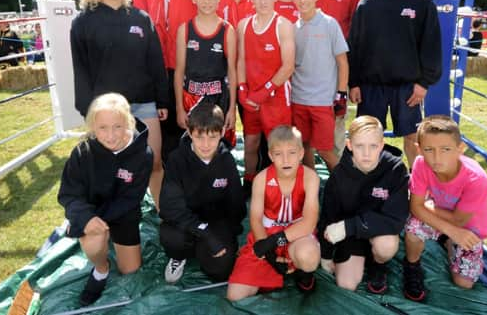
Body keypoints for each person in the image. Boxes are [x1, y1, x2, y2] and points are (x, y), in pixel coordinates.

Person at [70, 0, 168, 211]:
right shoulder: (83, 22)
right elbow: (80, 69)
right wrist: (86, 109)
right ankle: (113, 216)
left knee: (155, 161)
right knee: (112, 167)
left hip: (143, 103)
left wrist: (162, 99)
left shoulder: (140, 18)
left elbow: (155, 62)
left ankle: (162, 213)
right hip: (106, 111)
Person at [348, 0, 442, 168]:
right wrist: (354, 83)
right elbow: (355, 47)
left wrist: (423, 83)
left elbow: (431, 44)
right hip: (371, 87)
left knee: (412, 138)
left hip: (408, 87)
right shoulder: (366, 5)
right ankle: (369, 186)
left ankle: (419, 187)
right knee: (368, 139)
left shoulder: (422, 1)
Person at [57, 93, 152, 306]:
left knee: (130, 269)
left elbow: (132, 198)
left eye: (117, 126)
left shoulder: (143, 154)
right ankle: (101, 270)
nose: (110, 135)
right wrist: (86, 219)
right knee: (94, 240)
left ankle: (105, 237)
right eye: (102, 128)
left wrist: (103, 220)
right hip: (92, 211)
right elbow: (68, 194)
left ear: (128, 123)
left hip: (123, 213)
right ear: (93, 126)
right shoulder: (82, 152)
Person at [155, 0, 237, 161]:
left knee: (215, 144)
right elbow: (159, 29)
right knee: (175, 146)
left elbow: (231, 51)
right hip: (177, 79)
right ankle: (177, 195)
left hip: (215, 85)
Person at [403, 115, 487, 302]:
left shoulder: (477, 179)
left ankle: (448, 241)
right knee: (413, 229)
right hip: (444, 218)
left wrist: (427, 207)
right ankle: (412, 266)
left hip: (468, 227)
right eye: (429, 150)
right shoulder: (420, 164)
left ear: (460, 149)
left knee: (463, 282)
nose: (436, 158)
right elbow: (415, 207)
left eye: (445, 150)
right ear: (419, 150)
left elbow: (460, 220)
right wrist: (450, 230)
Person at [227, 125, 321, 300]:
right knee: (235, 295)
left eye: (292, 153)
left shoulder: (310, 177)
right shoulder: (261, 179)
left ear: (301, 153)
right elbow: (255, 219)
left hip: (297, 236)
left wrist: (276, 240)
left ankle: (303, 272)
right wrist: (268, 252)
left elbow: (309, 222)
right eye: (278, 154)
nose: (286, 160)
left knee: (308, 255)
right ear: (270, 155)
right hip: (266, 237)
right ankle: (274, 268)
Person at [318, 116, 409, 294]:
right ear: (349, 145)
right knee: (346, 284)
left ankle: (378, 264)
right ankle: (356, 258)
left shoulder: (395, 170)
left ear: (381, 145)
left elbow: (396, 219)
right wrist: (326, 254)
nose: (366, 153)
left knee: (387, 246)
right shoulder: (339, 174)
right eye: (360, 146)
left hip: (377, 231)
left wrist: (348, 226)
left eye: (373, 146)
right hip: (351, 236)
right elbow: (328, 216)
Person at [159, 104, 246, 284]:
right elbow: (170, 208)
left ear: (222, 132)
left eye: (212, 137)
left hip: (215, 222)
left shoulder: (227, 160)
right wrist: (205, 234)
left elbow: (235, 202)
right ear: (190, 133)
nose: (206, 145)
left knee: (221, 270)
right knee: (171, 237)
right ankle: (179, 256)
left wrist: (229, 236)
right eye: (199, 137)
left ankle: (202, 250)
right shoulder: (177, 159)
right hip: (186, 223)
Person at [237, 0, 295, 197]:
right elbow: (240, 59)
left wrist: (265, 92)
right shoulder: (244, 25)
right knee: (250, 143)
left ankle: (281, 188)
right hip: (251, 96)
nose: (262, 1)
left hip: (277, 97)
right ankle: (249, 183)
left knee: (279, 146)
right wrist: (243, 88)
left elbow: (288, 66)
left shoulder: (283, 25)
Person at [291, 0, 348, 172]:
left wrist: (341, 94)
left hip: (323, 100)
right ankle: (311, 185)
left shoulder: (329, 23)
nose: (302, 0)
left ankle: (344, 186)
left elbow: (342, 62)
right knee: (304, 146)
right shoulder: (292, 28)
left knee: (325, 150)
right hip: (298, 98)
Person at [315, 0, 364, 159]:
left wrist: (352, 77)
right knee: (306, 118)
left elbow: (358, 33)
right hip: (307, 66)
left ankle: (339, 173)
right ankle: (307, 170)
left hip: (337, 66)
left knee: (336, 117)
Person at [174, 0, 237, 145]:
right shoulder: (185, 30)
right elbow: (179, 71)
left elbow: (232, 71)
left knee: (218, 146)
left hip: (219, 99)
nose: (206, 1)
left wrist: (232, 108)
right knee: (193, 145)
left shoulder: (227, 30)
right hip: (191, 98)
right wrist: (179, 108)